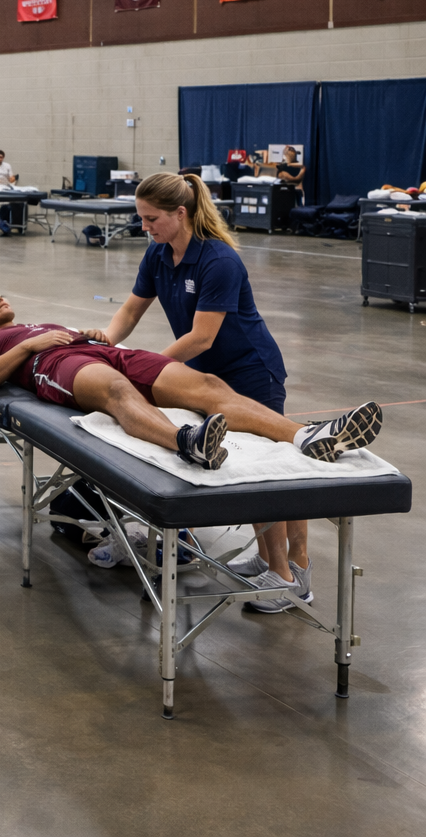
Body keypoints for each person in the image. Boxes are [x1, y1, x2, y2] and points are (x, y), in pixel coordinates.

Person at [100, 171, 310, 609]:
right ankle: (272, 560)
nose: (145, 227)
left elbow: (201, 336)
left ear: (181, 213)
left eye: (152, 218)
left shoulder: (219, 261)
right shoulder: (158, 254)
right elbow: (130, 310)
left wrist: (149, 370)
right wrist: (104, 343)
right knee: (246, 470)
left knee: (268, 471)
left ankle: (292, 575)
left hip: (251, 371)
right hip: (207, 377)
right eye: (141, 218)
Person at [0, 286, 382, 479]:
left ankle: (307, 436)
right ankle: (187, 443)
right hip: (53, 363)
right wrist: (31, 348)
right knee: (116, 391)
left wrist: (92, 334)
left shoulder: (36, 321)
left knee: (210, 385)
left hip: (100, 350)